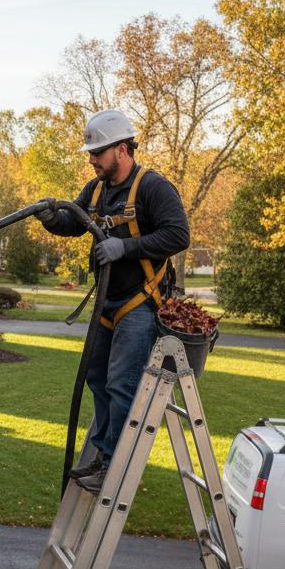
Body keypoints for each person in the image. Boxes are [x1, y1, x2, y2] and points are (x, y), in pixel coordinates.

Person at [35, 109, 190, 493]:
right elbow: (75, 222)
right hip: (107, 303)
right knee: (97, 378)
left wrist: (126, 247)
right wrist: (53, 218)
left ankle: (114, 467)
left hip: (139, 303)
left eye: (97, 152)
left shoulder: (153, 188)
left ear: (122, 149)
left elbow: (178, 235)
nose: (90, 160)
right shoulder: (97, 190)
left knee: (122, 383)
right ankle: (103, 455)